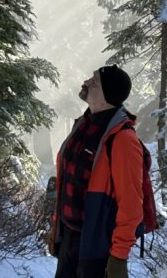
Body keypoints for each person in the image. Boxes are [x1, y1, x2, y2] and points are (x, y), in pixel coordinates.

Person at [49, 65, 144, 278]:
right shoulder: (83, 124)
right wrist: (57, 228)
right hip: (69, 237)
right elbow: (69, 180)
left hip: (96, 248)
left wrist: (119, 257)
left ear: (106, 95)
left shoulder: (123, 139)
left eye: (94, 82)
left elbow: (131, 205)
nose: (86, 82)